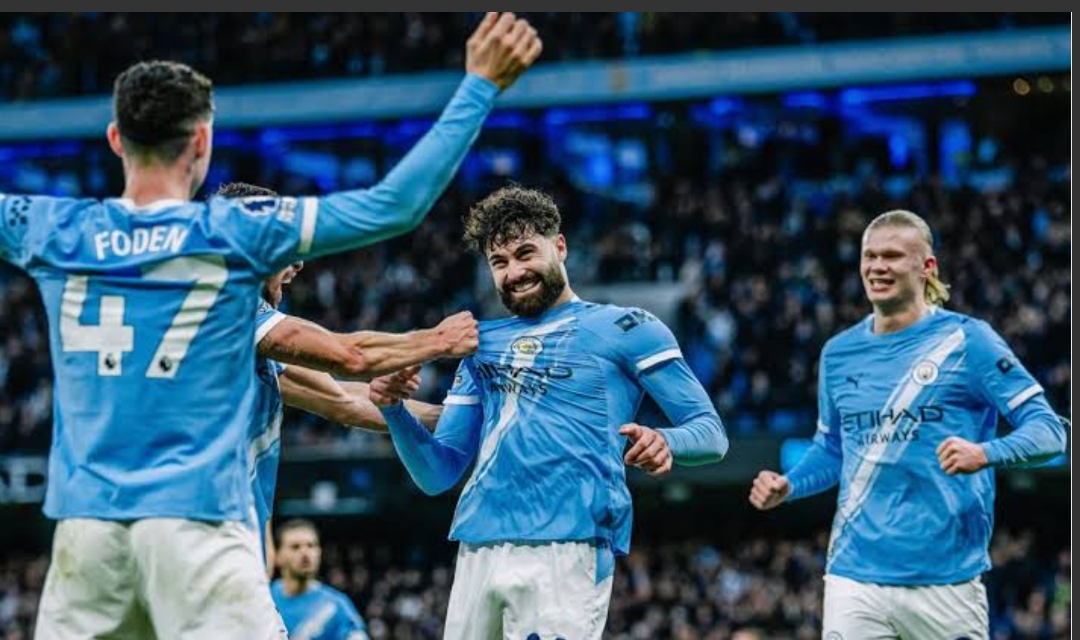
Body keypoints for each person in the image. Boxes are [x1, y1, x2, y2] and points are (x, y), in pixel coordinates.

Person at [6, 13, 540, 639]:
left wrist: (457, 419)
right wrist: (479, 85)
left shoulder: (50, 227)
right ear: (201, 142)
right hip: (199, 525)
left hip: (86, 533)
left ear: (115, 138)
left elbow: (341, 399)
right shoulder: (233, 235)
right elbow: (393, 207)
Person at [368, 186, 729, 640]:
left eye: (525, 253)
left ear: (559, 246)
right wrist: (394, 410)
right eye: (499, 262)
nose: (514, 272)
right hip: (477, 547)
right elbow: (438, 474)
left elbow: (711, 434)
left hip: (568, 548)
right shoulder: (478, 346)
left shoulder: (627, 328)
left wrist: (666, 440)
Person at [749, 210, 1068, 640]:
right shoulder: (838, 353)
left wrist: (986, 453)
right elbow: (832, 449)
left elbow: (1049, 431)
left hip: (947, 582)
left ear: (927, 267)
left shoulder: (968, 341)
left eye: (893, 256)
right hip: (853, 577)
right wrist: (789, 485)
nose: (877, 267)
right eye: (870, 256)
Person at [216, 182, 456, 573]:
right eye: (284, 246)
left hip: (225, 543)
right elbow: (350, 355)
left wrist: (459, 417)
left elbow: (343, 400)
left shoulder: (239, 346)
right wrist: (440, 340)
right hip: (207, 541)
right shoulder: (225, 307)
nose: (298, 264)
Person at [272, 519, 369, 640]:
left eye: (311, 545)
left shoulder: (335, 605)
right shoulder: (266, 600)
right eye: (295, 547)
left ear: (319, 552)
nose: (305, 553)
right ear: (277, 555)